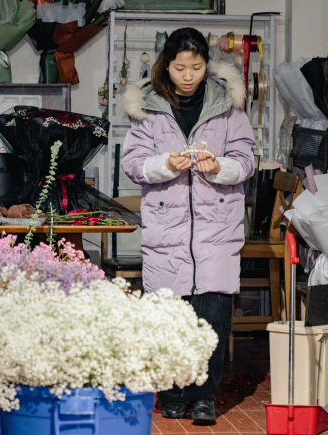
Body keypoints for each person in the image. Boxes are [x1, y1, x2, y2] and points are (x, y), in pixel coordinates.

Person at [121, 27, 256, 425]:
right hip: (168, 228)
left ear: (206, 65)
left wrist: (220, 167)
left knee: (212, 314)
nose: (187, 75)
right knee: (170, 318)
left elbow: (246, 159)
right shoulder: (150, 107)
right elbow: (133, 163)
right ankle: (173, 392)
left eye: (195, 67)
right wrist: (165, 164)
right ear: (167, 64)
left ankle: (204, 396)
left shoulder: (229, 107)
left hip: (217, 227)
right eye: (180, 67)